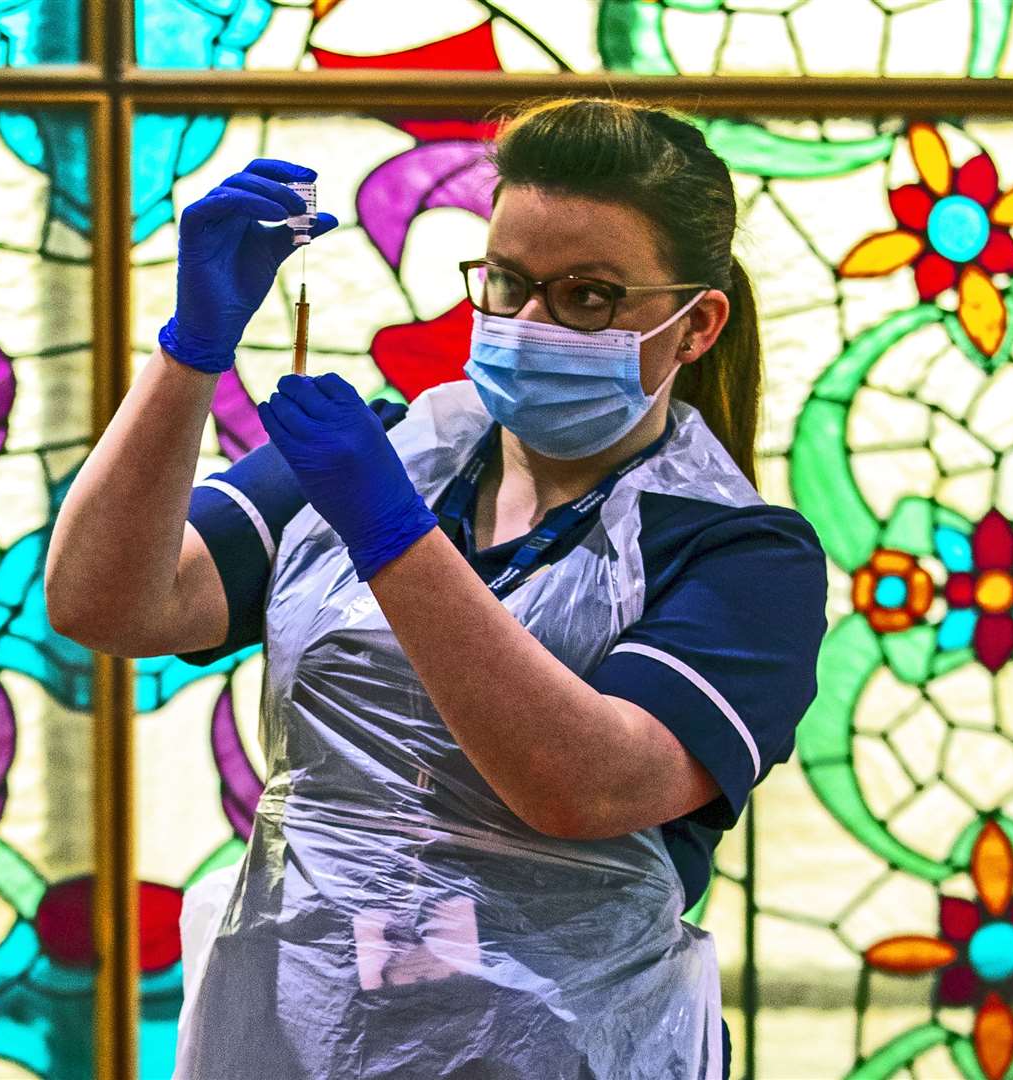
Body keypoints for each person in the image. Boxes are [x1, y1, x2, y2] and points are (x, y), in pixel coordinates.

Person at [44, 97, 828, 1079]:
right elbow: (108, 601)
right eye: (506, 283)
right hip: (299, 1029)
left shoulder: (743, 556)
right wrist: (191, 352)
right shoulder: (387, 455)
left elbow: (582, 784)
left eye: (586, 297)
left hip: (566, 1049)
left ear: (693, 325)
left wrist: (389, 534)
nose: (529, 321)